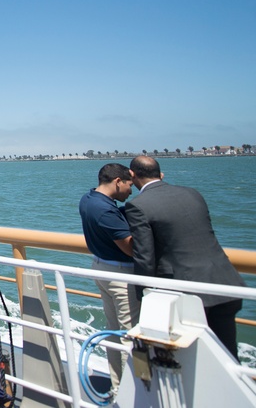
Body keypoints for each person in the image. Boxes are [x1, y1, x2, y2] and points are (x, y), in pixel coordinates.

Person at [124, 156, 246, 358]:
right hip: (225, 283)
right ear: (159, 173)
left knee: (193, 361)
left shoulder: (138, 205)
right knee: (227, 356)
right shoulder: (192, 193)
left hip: (190, 296)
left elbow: (144, 257)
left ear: (132, 174)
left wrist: (143, 297)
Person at [78, 163, 140, 388]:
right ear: (117, 181)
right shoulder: (105, 210)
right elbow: (130, 248)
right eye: (130, 185)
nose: (131, 190)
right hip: (120, 276)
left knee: (115, 332)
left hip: (102, 268)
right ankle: (130, 394)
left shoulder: (88, 199)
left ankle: (117, 386)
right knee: (128, 336)